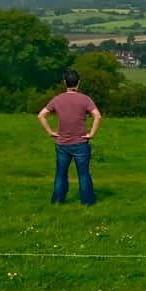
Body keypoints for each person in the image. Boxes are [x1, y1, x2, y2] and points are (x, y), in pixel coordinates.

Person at [37, 69, 101, 206]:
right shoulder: (85, 99)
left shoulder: (57, 99)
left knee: (61, 173)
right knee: (83, 174)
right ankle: (87, 202)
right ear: (79, 82)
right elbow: (98, 116)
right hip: (81, 143)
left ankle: (57, 201)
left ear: (65, 82)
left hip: (62, 143)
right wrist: (92, 134)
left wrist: (50, 132)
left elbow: (41, 115)